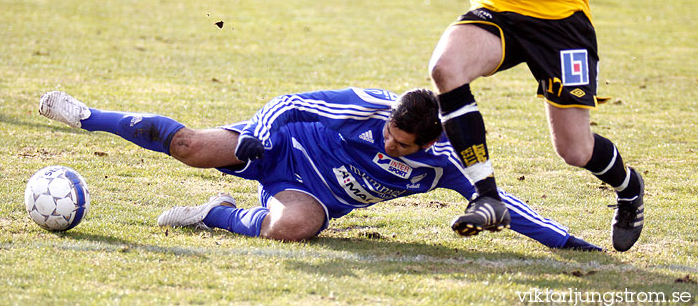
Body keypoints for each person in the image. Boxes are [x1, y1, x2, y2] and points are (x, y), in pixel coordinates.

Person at [39, 88, 600, 251]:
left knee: (293, 229)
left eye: (401, 144)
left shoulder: (450, 162)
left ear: (430, 140)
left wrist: (571, 243)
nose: (389, 142)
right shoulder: (367, 106)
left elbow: (501, 203)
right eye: (387, 133)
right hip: (277, 149)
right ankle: (87, 116)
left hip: (307, 195)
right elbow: (291, 103)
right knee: (186, 144)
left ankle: (216, 215)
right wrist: (258, 137)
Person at [428, 0, 644, 251]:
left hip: (559, 22)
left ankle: (629, 188)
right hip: (497, 9)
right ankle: (487, 198)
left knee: (575, 150)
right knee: (446, 68)